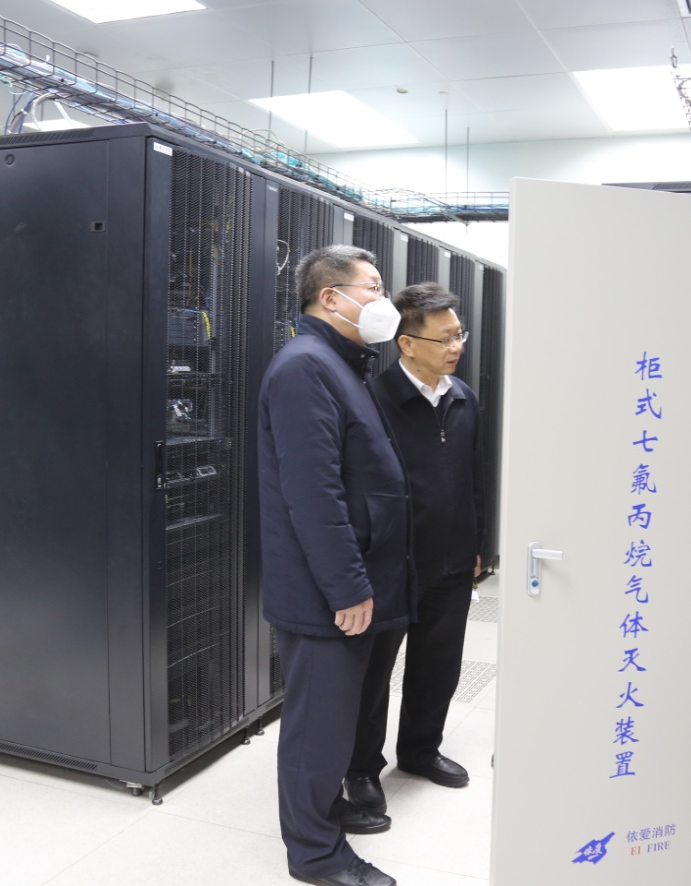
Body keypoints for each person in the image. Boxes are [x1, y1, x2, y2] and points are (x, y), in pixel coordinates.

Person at [259, 245, 410, 886]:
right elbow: (313, 494)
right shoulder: (305, 367)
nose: (383, 300)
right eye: (372, 287)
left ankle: (323, 810)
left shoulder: (339, 364)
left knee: (336, 717)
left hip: (352, 578)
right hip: (324, 590)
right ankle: (316, 855)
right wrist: (347, 587)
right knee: (315, 726)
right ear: (331, 297)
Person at [344, 282, 485, 816]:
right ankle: (361, 768)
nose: (456, 346)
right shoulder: (374, 402)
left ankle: (421, 750)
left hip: (452, 559)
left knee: (439, 663)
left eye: (459, 335)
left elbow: (475, 477)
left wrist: (476, 544)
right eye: (444, 338)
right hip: (392, 564)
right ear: (406, 343)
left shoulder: (462, 397)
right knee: (374, 673)